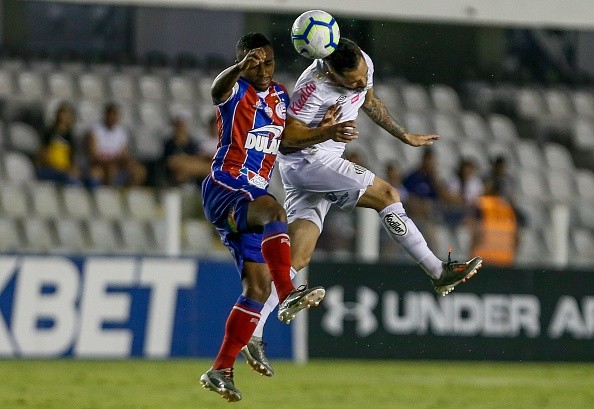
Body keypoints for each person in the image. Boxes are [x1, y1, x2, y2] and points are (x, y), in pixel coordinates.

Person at [240, 38, 483, 377]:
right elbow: (285, 140)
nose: (360, 82)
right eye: (351, 81)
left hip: (316, 166)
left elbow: (370, 100)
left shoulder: (361, 62)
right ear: (331, 74)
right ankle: (437, 270)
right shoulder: (312, 88)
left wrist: (405, 136)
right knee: (387, 194)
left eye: (361, 76)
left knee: (297, 258)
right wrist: (327, 131)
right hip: (308, 163)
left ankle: (252, 331)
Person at [198, 32, 352, 403]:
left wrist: (324, 132)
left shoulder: (280, 96)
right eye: (255, 63)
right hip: (227, 185)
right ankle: (289, 293)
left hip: (249, 199)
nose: (263, 69)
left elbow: (285, 140)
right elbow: (216, 90)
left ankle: (220, 369)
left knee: (256, 289)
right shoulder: (236, 91)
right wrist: (239, 68)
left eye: (268, 62)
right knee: (275, 210)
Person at [86, 103, 147, 187]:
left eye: (115, 115)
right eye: (111, 115)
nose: (112, 118)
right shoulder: (95, 130)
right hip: (100, 163)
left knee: (139, 170)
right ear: (106, 115)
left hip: (117, 163)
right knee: (109, 169)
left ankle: (131, 192)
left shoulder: (121, 132)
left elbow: (124, 153)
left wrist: (128, 162)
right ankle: (109, 191)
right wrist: (109, 161)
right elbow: (92, 154)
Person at [36, 102, 81, 185]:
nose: (64, 117)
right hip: (48, 169)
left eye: (68, 115)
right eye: (63, 113)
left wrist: (72, 169)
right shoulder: (49, 133)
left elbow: (72, 158)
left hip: (64, 171)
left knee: (75, 182)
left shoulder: (71, 137)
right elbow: (41, 152)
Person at [162, 113, 210, 186]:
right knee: (182, 170)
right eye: (178, 126)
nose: (180, 128)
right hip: (176, 171)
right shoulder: (169, 143)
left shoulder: (191, 142)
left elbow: (197, 157)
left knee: (206, 167)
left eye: (182, 126)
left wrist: (187, 161)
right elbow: (171, 161)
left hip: (190, 168)